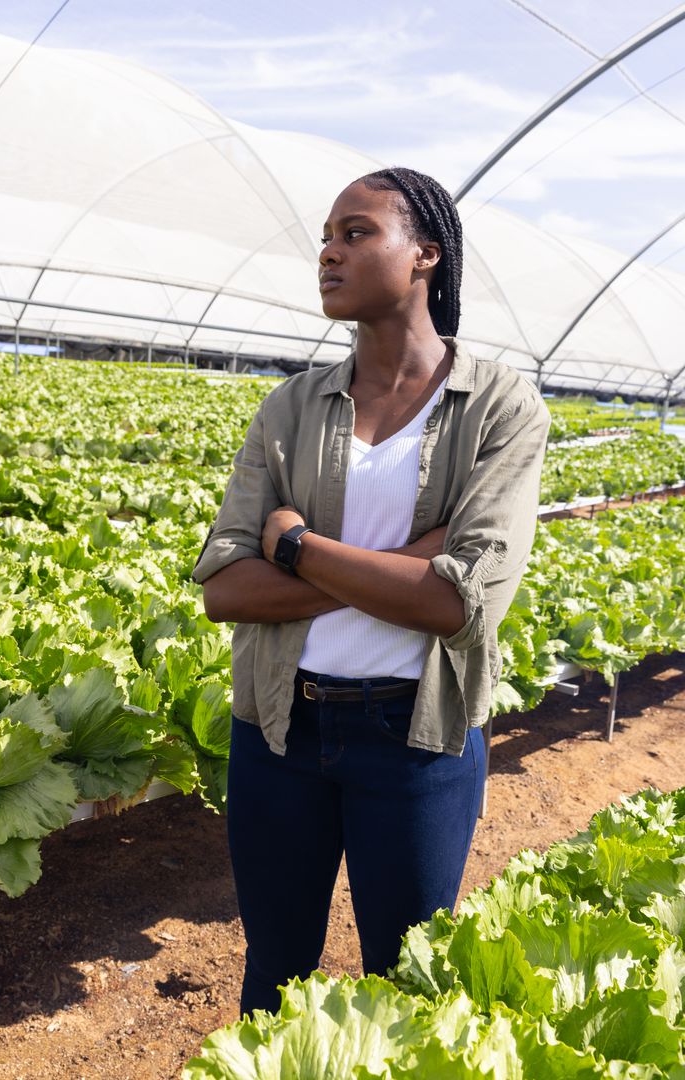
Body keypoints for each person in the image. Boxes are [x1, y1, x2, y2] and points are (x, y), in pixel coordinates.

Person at [192, 166, 551, 1018]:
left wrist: (296, 545)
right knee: (274, 970)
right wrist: (397, 562)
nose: (328, 252)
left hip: (415, 737)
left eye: (356, 233)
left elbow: (456, 605)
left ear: (426, 253)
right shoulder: (290, 407)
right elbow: (226, 588)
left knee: (406, 981)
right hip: (279, 728)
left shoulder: (500, 406)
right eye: (325, 236)